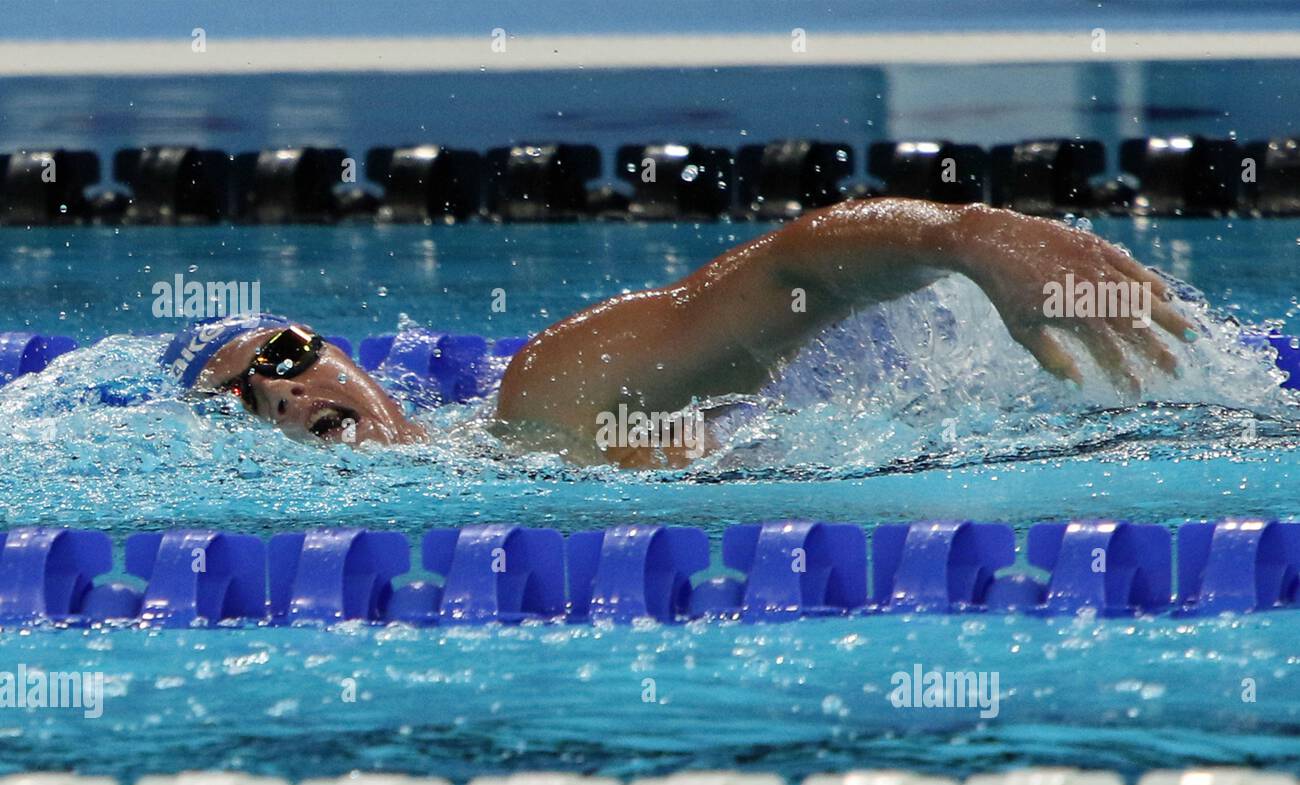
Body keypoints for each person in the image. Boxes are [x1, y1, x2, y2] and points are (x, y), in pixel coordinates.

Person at [163, 198, 1197, 466]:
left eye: (286, 356)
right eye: (244, 398)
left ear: (344, 355)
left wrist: (970, 236)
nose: (284, 392)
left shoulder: (547, 398)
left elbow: (788, 271)